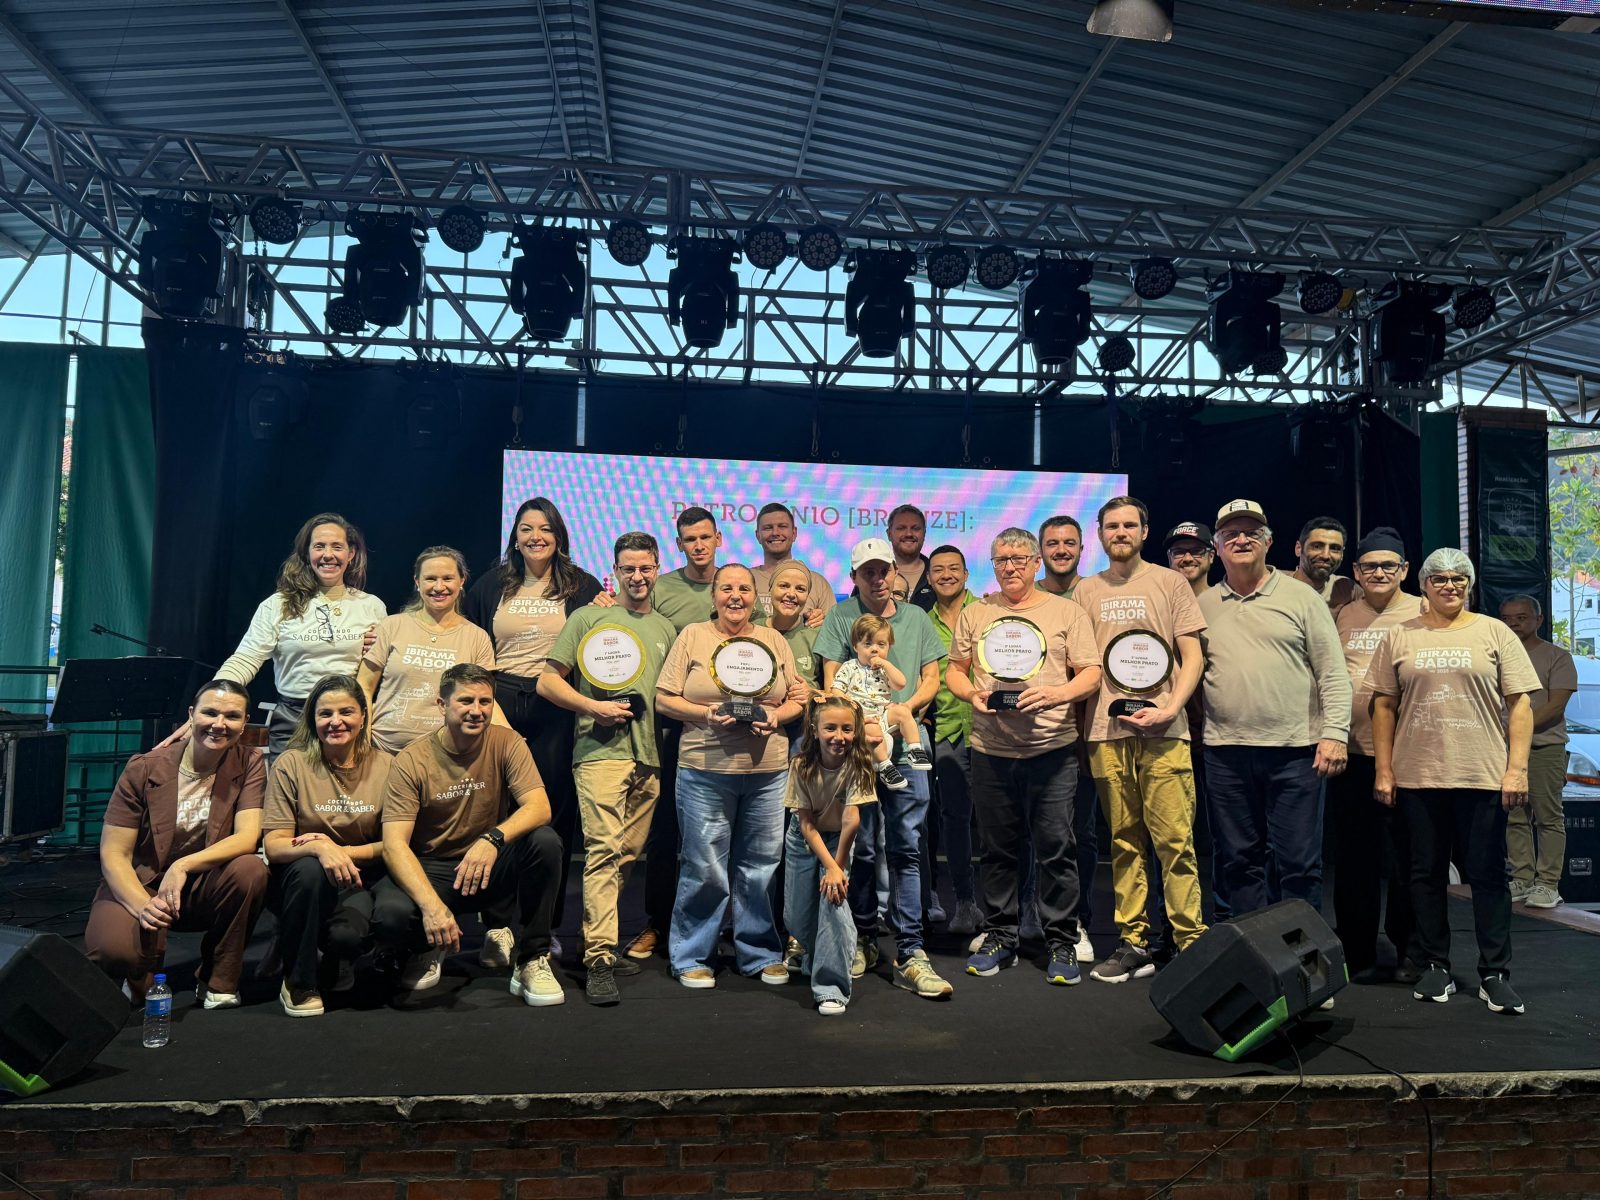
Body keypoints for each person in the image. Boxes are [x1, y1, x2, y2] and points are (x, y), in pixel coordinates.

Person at [1369, 549, 1538, 1015]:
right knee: (1424, 874)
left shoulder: (1494, 631)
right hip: (1418, 775)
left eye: (1459, 578)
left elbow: (1520, 705)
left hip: (1481, 774)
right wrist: (1384, 769)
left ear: (1470, 584)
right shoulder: (1399, 635)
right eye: (1440, 578)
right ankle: (1434, 966)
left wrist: (1517, 769)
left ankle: (1495, 973)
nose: (1450, 585)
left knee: (1488, 875)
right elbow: (1382, 706)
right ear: (1424, 584)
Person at [948, 528, 1103, 985]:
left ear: (1037, 562)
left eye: (1019, 558)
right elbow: (955, 671)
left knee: (1057, 849)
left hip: (1052, 751)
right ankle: (1001, 935)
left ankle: (1062, 940)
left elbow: (1091, 673)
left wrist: (1058, 694)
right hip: (990, 750)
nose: (1010, 567)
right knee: (997, 851)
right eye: (1001, 559)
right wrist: (971, 695)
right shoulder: (977, 612)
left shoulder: (1066, 611)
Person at [370, 664, 566, 1005]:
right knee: (391, 915)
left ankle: (532, 958)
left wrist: (492, 839)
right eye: (466, 701)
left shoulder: (507, 742)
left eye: (485, 702)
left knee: (545, 842)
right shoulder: (411, 760)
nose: (477, 711)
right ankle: (427, 945)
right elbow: (394, 845)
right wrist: (433, 908)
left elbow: (539, 807)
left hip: (488, 863)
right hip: (435, 867)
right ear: (442, 705)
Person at [537, 532, 677, 1005]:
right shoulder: (588, 617)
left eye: (645, 568)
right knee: (602, 850)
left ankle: (593, 941)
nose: (637, 576)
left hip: (649, 756)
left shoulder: (665, 628)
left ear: (657, 570)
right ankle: (599, 957)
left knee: (626, 856)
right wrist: (591, 707)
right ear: (614, 572)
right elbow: (548, 681)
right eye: (628, 568)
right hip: (600, 752)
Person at [1073, 497, 1209, 984]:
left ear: (1144, 531)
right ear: (1100, 534)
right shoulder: (1086, 590)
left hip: (1165, 730)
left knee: (1175, 841)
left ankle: (1190, 942)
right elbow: (1081, 663)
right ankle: (1134, 942)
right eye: (1112, 525)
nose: (1121, 532)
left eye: (1129, 524)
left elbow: (1192, 656)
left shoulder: (1171, 583)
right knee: (1124, 841)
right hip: (1106, 732)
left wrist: (1172, 707)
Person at [462, 498, 603, 955]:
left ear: (558, 535)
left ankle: (543, 926)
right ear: (515, 536)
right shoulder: (490, 585)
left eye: (545, 528)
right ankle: (497, 926)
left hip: (556, 705)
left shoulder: (583, 585)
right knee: (499, 811)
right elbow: (472, 646)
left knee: (553, 816)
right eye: (526, 528)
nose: (535, 536)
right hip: (499, 702)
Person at [1197, 499, 1351, 917]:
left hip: (1295, 753)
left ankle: (1302, 953)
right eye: (1231, 534)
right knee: (1238, 862)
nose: (1241, 540)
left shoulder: (1302, 598)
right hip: (1225, 753)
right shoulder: (1204, 605)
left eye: (1251, 533)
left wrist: (1335, 735)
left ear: (1269, 542)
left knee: (1298, 865)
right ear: (1217, 546)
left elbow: (1333, 673)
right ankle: (1253, 951)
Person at [654, 564, 804, 987]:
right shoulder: (693, 636)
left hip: (767, 772)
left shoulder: (773, 640)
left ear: (755, 597)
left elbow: (798, 698)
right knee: (705, 866)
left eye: (743, 588)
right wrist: (706, 714)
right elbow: (664, 699)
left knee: (761, 866)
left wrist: (776, 717)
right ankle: (692, 955)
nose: (735, 596)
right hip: (704, 769)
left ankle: (759, 952)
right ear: (714, 595)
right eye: (726, 588)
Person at [816, 538, 952, 999]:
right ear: (854, 577)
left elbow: (930, 678)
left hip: (904, 735)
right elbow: (832, 680)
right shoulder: (841, 616)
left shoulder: (916, 618)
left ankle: (911, 951)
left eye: (883, 570)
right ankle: (864, 940)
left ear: (895, 572)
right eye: (867, 572)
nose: (877, 579)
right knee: (862, 846)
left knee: (907, 846)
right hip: (859, 744)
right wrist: (864, 725)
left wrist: (902, 711)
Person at [86, 679, 269, 1009]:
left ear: (244, 723)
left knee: (251, 870)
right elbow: (114, 853)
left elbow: (247, 837)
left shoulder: (249, 762)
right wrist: (143, 904)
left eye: (232, 716)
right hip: (143, 880)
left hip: (202, 884)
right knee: (112, 952)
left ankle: (217, 977)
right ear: (191, 714)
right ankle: (139, 975)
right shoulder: (144, 768)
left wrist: (183, 866)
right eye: (209, 713)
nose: (219, 724)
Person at [198, 513, 386, 762]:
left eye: (337, 546)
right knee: (286, 786)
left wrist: (382, 647)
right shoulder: (278, 604)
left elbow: (383, 667)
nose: (328, 554)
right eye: (319, 546)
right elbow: (245, 659)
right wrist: (210, 702)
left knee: (345, 787)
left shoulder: (371, 606)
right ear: (306, 552)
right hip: (293, 718)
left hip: (347, 717)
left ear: (351, 553)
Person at [262, 674, 393, 1017]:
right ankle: (298, 981)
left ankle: (338, 959)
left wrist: (342, 853)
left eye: (346, 712)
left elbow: (394, 844)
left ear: (363, 716)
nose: (336, 721)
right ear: (312, 720)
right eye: (325, 714)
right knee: (308, 869)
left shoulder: (387, 766)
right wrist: (321, 848)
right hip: (303, 881)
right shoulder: (291, 764)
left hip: (359, 877)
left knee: (346, 938)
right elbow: (274, 845)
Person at [628, 506, 721, 960]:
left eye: (705, 537)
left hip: (723, 727)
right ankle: (658, 924)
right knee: (665, 831)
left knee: (719, 835)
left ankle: (721, 927)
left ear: (718, 539)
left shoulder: (734, 585)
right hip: (668, 721)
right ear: (679, 544)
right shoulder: (661, 587)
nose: (698, 545)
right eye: (689, 539)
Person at [1331, 527, 1422, 981]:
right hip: (1353, 755)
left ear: (1404, 570)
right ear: (1356, 571)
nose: (1379, 573)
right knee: (1354, 861)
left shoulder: (1424, 612)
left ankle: (1410, 951)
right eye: (1370, 566)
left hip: (1410, 756)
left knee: (1409, 859)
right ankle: (1357, 953)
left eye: (1389, 565)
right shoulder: (1344, 615)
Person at [784, 692, 879, 1015]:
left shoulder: (859, 765)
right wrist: (829, 866)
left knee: (833, 902)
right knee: (796, 916)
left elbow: (852, 819)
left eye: (847, 729)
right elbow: (806, 823)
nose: (839, 737)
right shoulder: (801, 765)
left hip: (839, 840)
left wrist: (836, 868)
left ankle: (831, 987)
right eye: (830, 728)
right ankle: (816, 953)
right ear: (815, 730)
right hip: (804, 839)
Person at [359, 546, 498, 755]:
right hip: (384, 751)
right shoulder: (391, 626)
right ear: (417, 582)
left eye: (447, 578)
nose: (439, 587)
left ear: (462, 581)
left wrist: (510, 739)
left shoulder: (477, 637)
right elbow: (363, 687)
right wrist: (362, 739)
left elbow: (486, 699)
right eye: (430, 579)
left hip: (447, 756)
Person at [1499, 593, 1576, 910]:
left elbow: (1556, 706)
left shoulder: (1557, 657)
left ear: (1539, 620)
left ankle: (1547, 883)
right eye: (1507, 619)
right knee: (1514, 817)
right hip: (1503, 750)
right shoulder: (1497, 656)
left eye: (1521, 618)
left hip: (1545, 747)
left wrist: (1517, 732)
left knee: (1548, 818)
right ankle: (1522, 878)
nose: (1514, 624)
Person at [926, 544, 980, 935]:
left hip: (993, 727)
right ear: (929, 578)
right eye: (939, 570)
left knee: (1002, 825)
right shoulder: (921, 622)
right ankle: (965, 903)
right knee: (954, 821)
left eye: (954, 568)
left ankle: (1017, 908)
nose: (946, 575)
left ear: (966, 573)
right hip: (946, 730)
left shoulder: (988, 611)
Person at [832, 613, 935, 789]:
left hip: (884, 714)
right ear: (856, 646)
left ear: (889, 646)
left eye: (881, 644)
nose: (875, 649)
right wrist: (852, 710)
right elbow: (836, 691)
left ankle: (915, 749)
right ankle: (885, 766)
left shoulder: (885, 669)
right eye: (868, 644)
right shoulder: (850, 667)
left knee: (903, 711)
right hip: (864, 719)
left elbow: (901, 684)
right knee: (873, 730)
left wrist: (886, 665)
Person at [749, 503, 836, 623]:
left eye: (782, 526)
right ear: (758, 536)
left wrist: (823, 621)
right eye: (768, 528)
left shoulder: (818, 583)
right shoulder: (745, 579)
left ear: (794, 533)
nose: (775, 533)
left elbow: (833, 629)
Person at [1291, 516, 1357, 609]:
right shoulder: (1276, 584)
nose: (1325, 556)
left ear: (1342, 554)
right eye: (1317, 546)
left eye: (1335, 548)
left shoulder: (1347, 589)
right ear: (1298, 548)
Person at [886, 504, 937, 610]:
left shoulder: (938, 574)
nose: (909, 533)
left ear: (924, 534)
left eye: (915, 528)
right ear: (889, 534)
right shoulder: (873, 574)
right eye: (901, 528)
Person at [1164, 522, 1215, 598]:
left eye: (1196, 551)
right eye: (1179, 552)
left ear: (1211, 556)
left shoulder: (1226, 602)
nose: (1187, 559)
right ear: (1169, 558)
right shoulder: (1155, 601)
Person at [1037, 515, 1084, 597]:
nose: (1061, 551)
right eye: (1052, 544)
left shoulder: (1097, 591)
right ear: (1040, 550)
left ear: (1080, 550)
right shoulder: (1024, 595)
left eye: (1069, 543)